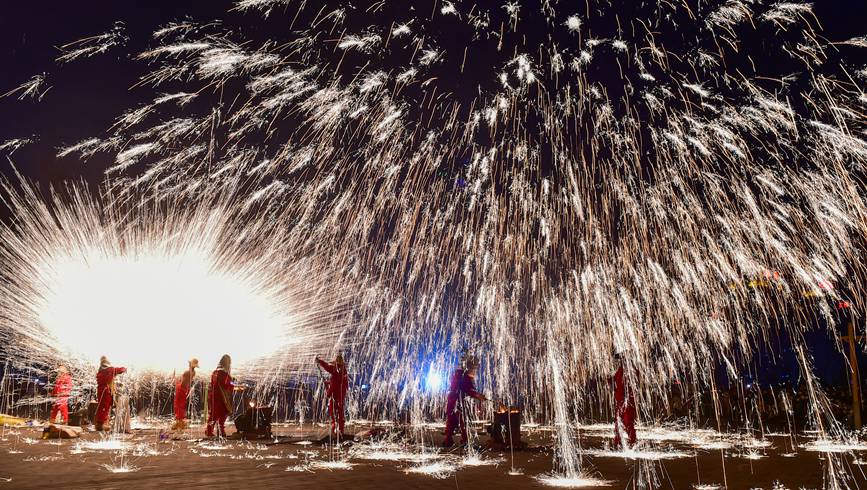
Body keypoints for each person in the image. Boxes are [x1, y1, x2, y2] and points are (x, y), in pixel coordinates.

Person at [443, 356, 487, 447]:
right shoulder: (465, 376)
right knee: (464, 421)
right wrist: (479, 396)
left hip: (452, 400)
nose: (475, 370)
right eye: (474, 368)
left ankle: (448, 440)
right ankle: (465, 441)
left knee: (451, 421)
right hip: (458, 401)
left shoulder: (457, 374)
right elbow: (468, 390)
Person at [316, 353, 349, 436]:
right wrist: (328, 382)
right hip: (341, 396)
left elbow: (327, 367)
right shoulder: (343, 371)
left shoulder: (335, 369)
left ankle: (335, 433)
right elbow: (338, 382)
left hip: (334, 396)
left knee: (334, 415)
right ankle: (340, 431)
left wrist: (319, 361)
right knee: (340, 415)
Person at [95, 356, 126, 431]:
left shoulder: (101, 370)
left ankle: (101, 423)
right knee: (105, 407)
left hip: (101, 390)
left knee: (102, 406)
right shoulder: (108, 369)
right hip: (106, 391)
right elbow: (117, 370)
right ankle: (101, 425)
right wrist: (124, 368)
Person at [612, 352, 637, 449]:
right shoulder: (622, 370)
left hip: (627, 400)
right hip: (621, 400)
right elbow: (615, 380)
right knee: (619, 422)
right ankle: (618, 442)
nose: (620, 361)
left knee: (627, 422)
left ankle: (631, 442)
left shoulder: (630, 370)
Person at [206, 354, 234, 437]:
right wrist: (234, 382)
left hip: (214, 395)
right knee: (222, 414)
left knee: (214, 414)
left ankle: (209, 430)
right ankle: (220, 431)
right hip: (221, 397)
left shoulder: (215, 372)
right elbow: (227, 384)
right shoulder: (223, 374)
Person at [172, 358, 199, 430]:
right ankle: (180, 422)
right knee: (181, 405)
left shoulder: (188, 372)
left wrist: (175, 378)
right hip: (184, 389)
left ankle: (179, 423)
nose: (188, 364)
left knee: (178, 405)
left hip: (181, 388)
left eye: (189, 363)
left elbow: (182, 381)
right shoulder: (193, 372)